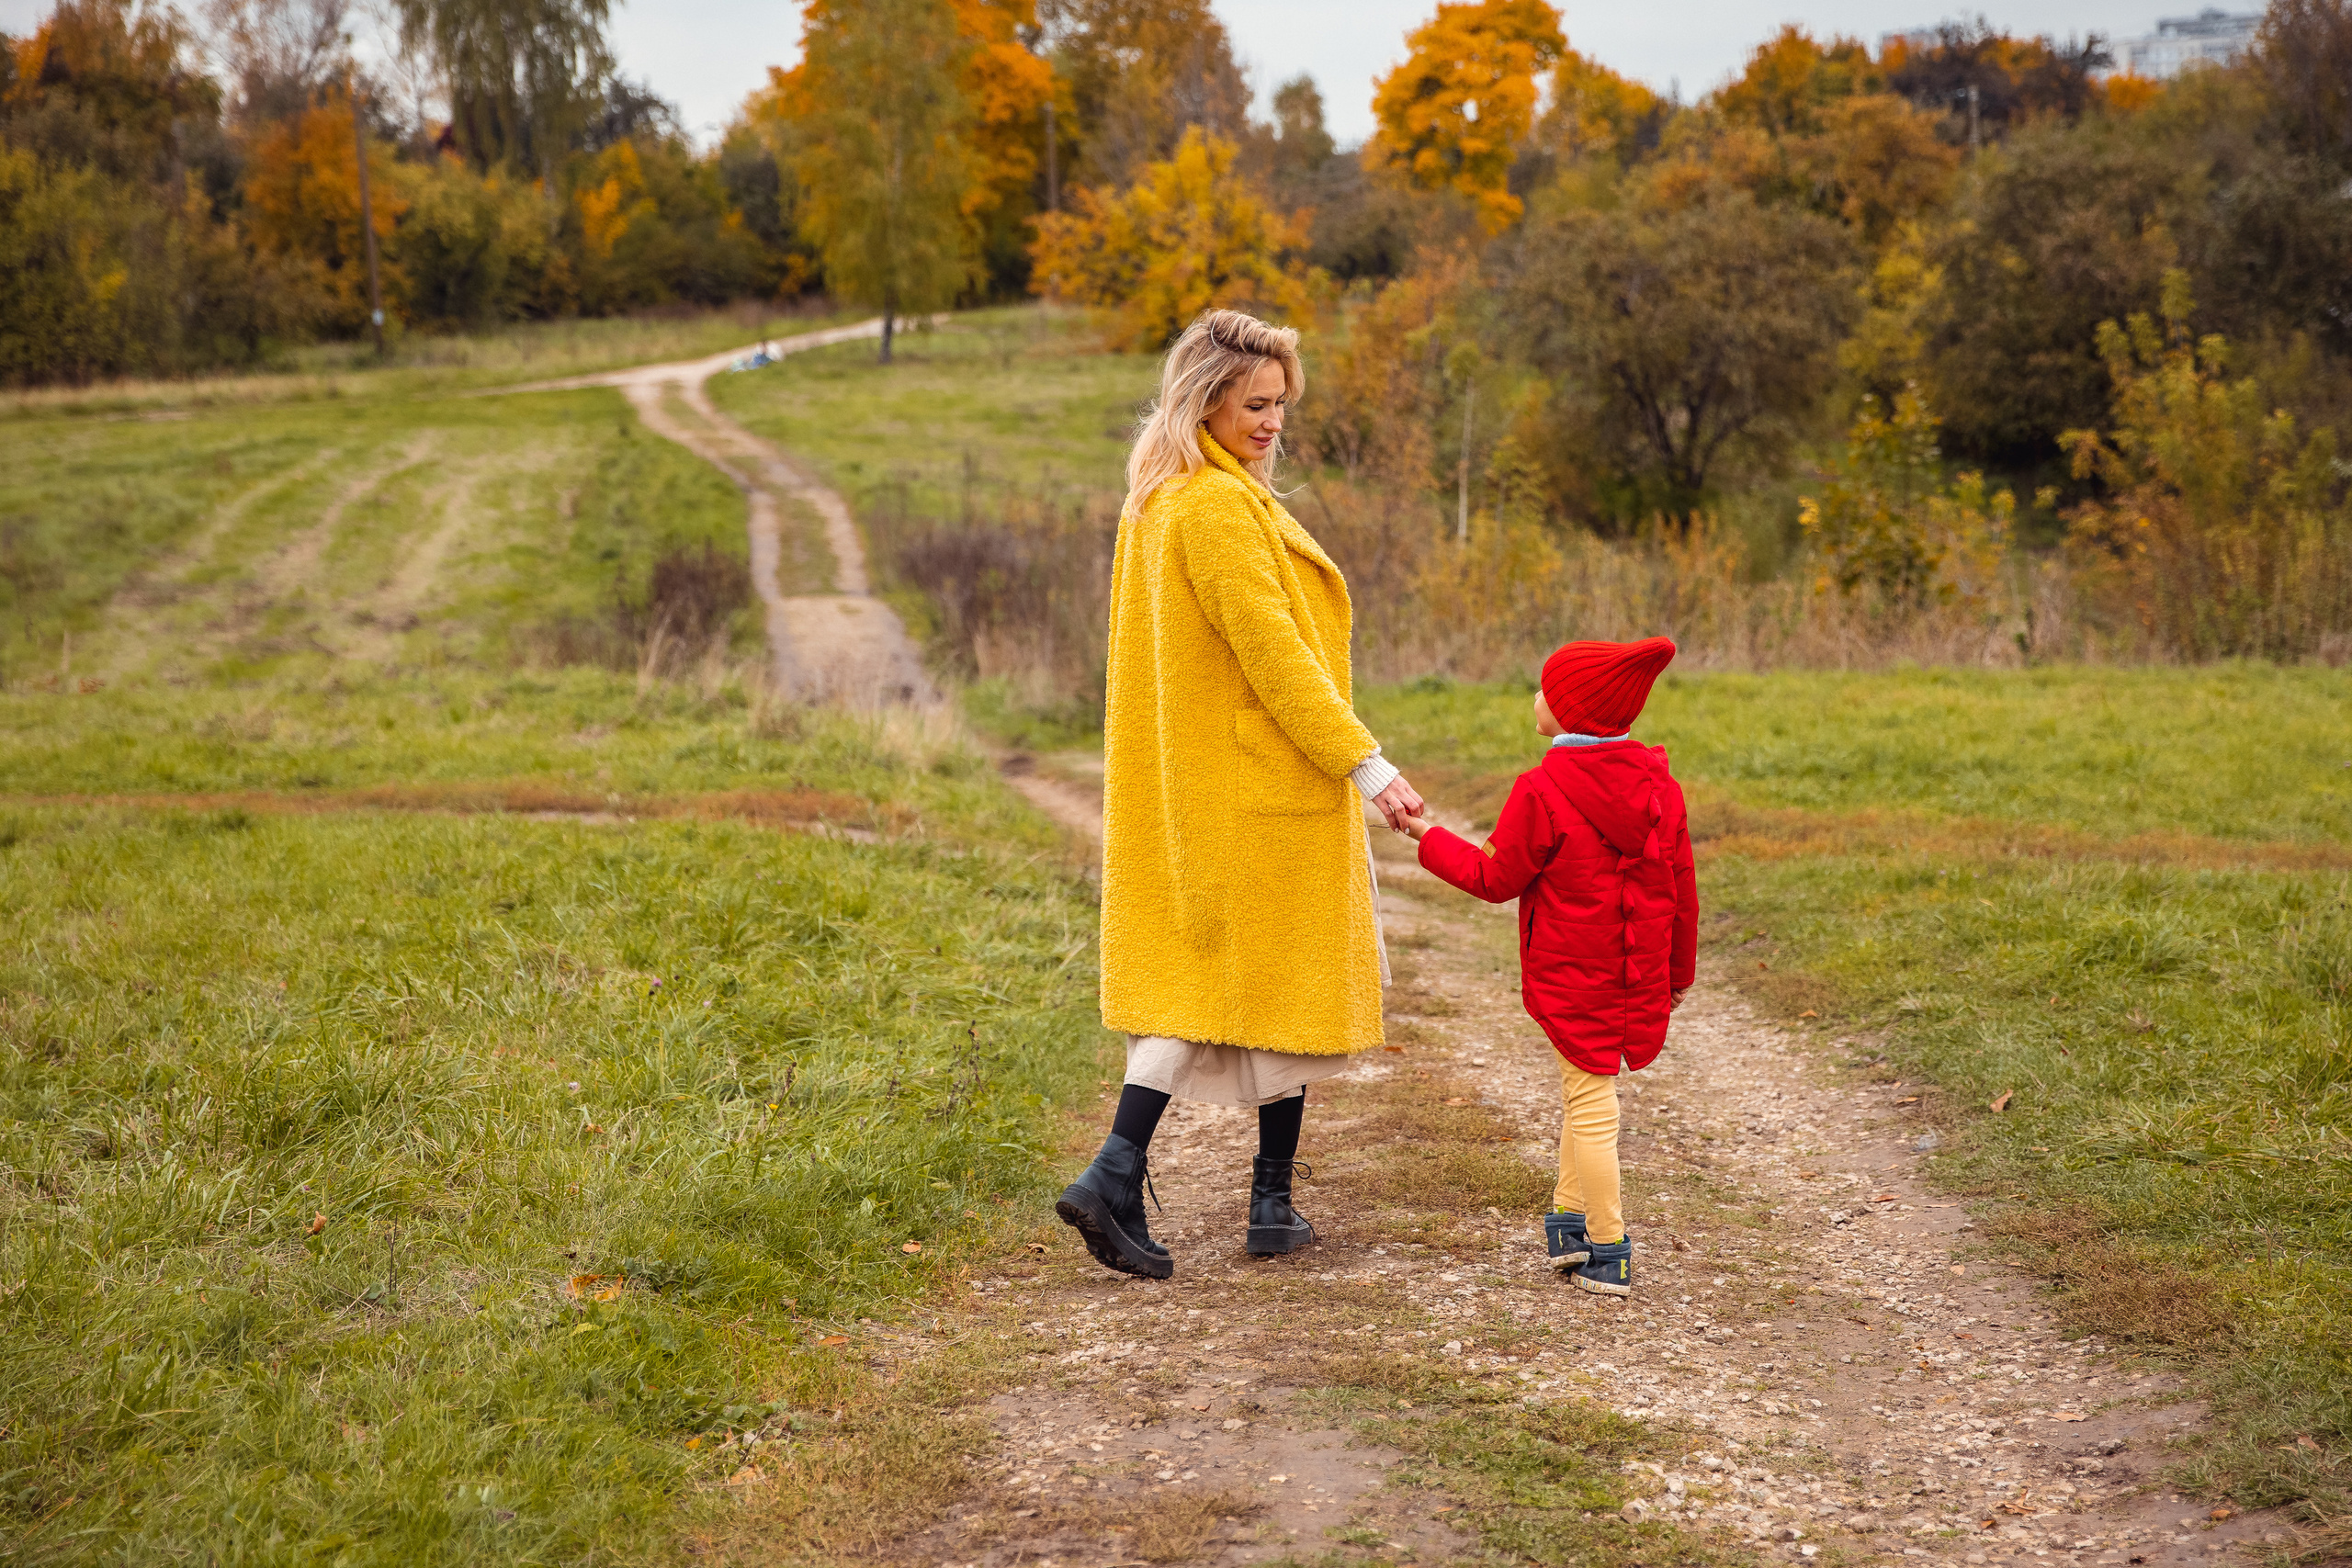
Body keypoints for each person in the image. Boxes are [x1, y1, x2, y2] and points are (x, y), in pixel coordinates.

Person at [1056, 309, 1425, 1280]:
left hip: (1218, 780)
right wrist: (1368, 765)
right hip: (1252, 784)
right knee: (1225, 991)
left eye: (1280, 406)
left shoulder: (1172, 497)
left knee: (1259, 988)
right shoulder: (1212, 510)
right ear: (1204, 399)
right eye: (1255, 404)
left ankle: (1263, 1200)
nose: (1272, 423)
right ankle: (1121, 1178)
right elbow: (1278, 661)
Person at [1399, 637, 1696, 1297]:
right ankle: (1568, 1220)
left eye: (1545, 690)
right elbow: (1683, 885)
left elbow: (1493, 875)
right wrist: (1679, 972)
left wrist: (1430, 836)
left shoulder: (1542, 789)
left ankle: (1610, 1247)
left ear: (1569, 711)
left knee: (1592, 1106)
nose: (1535, 698)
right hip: (1633, 972)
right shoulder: (1659, 785)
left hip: (1572, 978)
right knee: (1583, 1092)